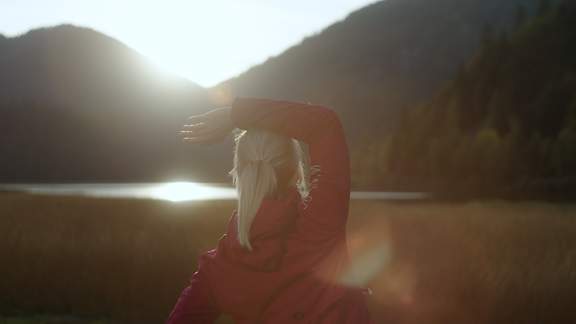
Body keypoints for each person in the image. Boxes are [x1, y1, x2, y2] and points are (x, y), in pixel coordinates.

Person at [166, 97, 373, 323]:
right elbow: (324, 124)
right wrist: (234, 115)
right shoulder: (320, 225)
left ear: (239, 174)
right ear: (296, 171)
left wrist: (235, 116)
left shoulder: (219, 270)